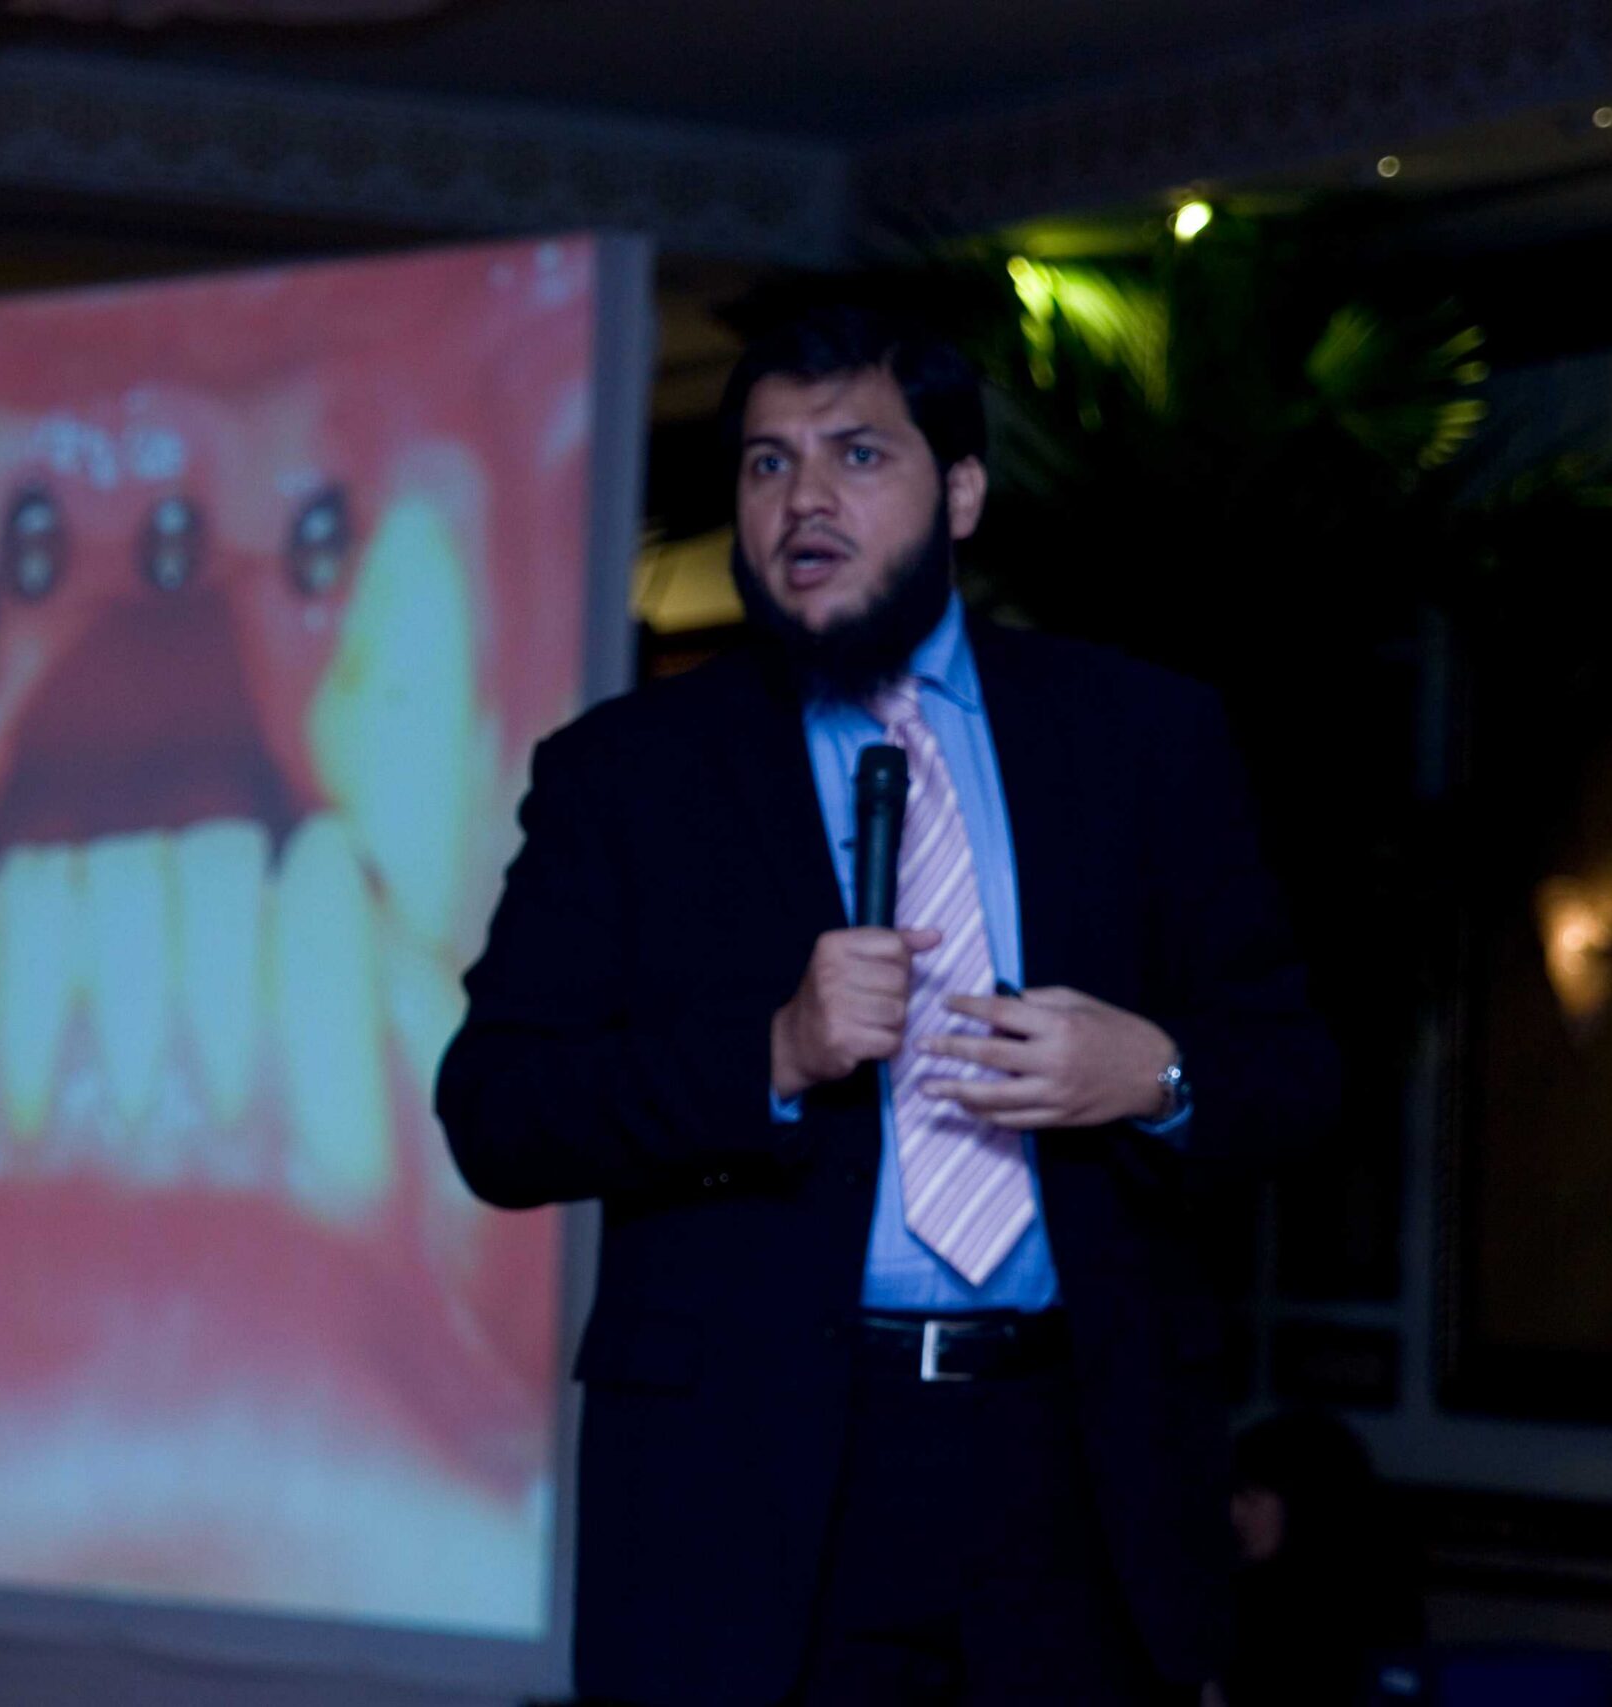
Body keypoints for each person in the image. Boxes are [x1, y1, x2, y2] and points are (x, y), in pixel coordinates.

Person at [436, 304, 1340, 1706]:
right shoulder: (629, 773)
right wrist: (771, 1052)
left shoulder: (1143, 737)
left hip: (1075, 1462)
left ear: (960, 491)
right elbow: (495, 1111)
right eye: (768, 463)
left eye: (857, 454)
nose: (804, 498)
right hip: (752, 1479)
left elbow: (1294, 1073)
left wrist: (1153, 1075)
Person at [1222, 1410, 1423, 1707]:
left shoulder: (1376, 1607)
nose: (1234, 1513)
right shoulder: (1230, 1597)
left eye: (1251, 1497)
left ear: (1304, 1504)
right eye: (1232, 1494)